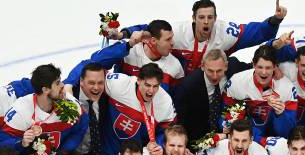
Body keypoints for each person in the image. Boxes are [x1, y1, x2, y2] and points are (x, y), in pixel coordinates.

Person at [117, 0, 287, 75]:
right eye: (201, 17)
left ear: (215, 18)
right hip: (183, 81)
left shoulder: (226, 32)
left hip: (213, 78)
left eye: (210, 17)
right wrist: (124, 34)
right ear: (193, 18)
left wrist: (275, 20)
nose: (206, 22)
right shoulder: (177, 32)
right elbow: (149, 30)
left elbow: (255, 32)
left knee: (235, 67)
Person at [64, 63, 176, 155]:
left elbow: (168, 132)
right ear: (138, 80)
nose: (151, 91)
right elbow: (88, 66)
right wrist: (68, 83)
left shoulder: (165, 102)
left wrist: (160, 145)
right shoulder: (119, 84)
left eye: (155, 86)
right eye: (147, 85)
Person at [0, 64, 88, 155]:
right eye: (57, 83)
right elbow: (2, 144)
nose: (62, 85)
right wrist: (21, 143)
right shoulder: (21, 111)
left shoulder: (70, 105)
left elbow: (81, 128)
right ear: (45, 89)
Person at [73, 20, 184, 95]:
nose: (173, 43)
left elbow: (176, 101)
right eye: (168, 39)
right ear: (154, 40)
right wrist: (128, 44)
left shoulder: (175, 67)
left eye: (172, 38)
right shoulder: (128, 50)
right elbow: (96, 60)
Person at [174, 49, 251, 146]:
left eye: (219, 71)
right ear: (202, 66)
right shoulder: (187, 87)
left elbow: (256, 70)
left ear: (226, 66)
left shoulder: (234, 67)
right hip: (200, 138)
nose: (215, 76)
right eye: (210, 71)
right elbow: (180, 122)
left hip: (231, 133)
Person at [222, 45, 297, 144]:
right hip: (243, 140)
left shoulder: (287, 88)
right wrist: (227, 125)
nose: (264, 72)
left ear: (275, 66)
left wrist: (281, 115)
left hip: (273, 141)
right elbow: (223, 117)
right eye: (260, 67)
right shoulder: (236, 82)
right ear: (253, 64)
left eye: (268, 67)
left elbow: (288, 133)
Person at [62, 62, 109, 155]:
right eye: (91, 83)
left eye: (100, 83)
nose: (96, 88)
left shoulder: (108, 96)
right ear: (81, 82)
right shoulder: (66, 98)